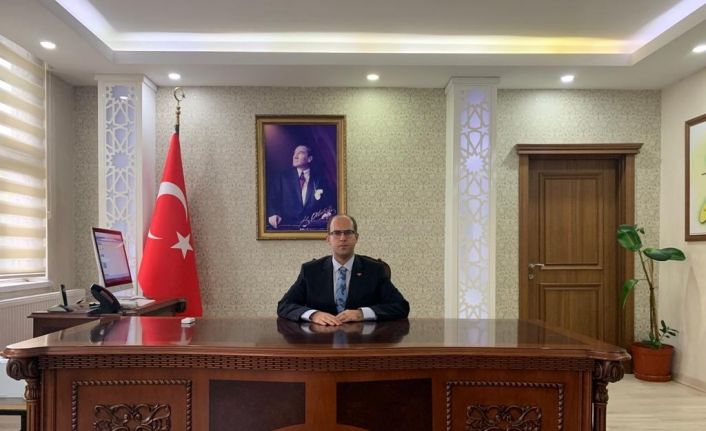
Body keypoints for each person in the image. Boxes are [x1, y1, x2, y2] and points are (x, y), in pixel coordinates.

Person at [277, 214, 410, 325]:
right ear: (328, 239)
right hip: (320, 341)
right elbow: (284, 305)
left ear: (356, 238)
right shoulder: (310, 271)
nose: (343, 238)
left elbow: (401, 306)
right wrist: (313, 315)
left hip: (363, 342)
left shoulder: (375, 270)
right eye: (336, 233)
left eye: (348, 232)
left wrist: (362, 313)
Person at [267, 145, 334, 230]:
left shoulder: (320, 179)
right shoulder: (282, 178)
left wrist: (327, 214)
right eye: (294, 153)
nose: (295, 156)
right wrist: (273, 214)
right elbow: (272, 201)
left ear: (309, 159)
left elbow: (328, 203)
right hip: (287, 229)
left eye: (300, 153)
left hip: (312, 229)